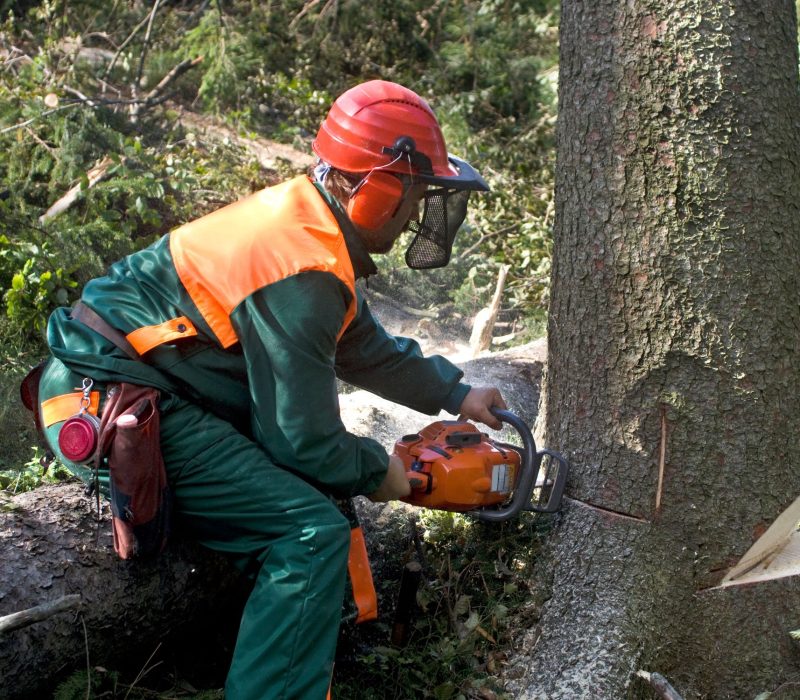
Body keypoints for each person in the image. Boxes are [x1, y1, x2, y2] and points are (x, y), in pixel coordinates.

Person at [35, 79, 507, 699]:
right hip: (115, 402)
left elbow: (362, 347)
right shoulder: (303, 268)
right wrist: (382, 472)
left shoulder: (307, 227)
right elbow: (303, 441)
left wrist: (457, 393)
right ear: (379, 186)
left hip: (137, 385)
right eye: (416, 194)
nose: (418, 213)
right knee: (308, 535)